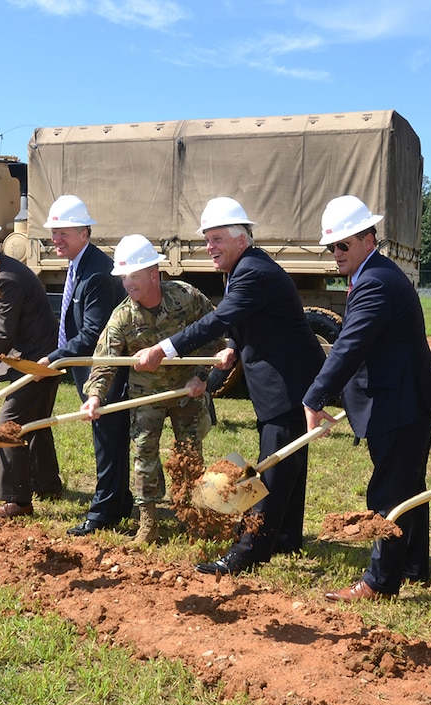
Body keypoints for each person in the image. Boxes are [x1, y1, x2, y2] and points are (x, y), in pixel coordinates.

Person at [136, 197, 326, 574]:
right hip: (289, 381)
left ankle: (248, 552)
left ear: (242, 238)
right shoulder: (247, 268)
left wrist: (164, 347)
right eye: (207, 239)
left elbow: (221, 317)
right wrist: (233, 347)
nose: (210, 247)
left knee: (274, 467)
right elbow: (247, 317)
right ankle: (286, 538)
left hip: (286, 384)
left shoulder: (253, 271)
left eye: (218, 238)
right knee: (287, 464)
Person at [305, 196, 431, 601]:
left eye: (343, 245)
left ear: (369, 239)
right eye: (331, 247)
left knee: (389, 492)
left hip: (399, 402)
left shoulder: (376, 281)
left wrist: (315, 397)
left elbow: (350, 346)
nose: (335, 254)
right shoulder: (375, 274)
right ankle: (412, 566)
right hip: (406, 397)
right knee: (408, 486)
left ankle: (379, 582)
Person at [81, 234, 223, 543]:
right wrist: (94, 397)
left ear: (153, 274)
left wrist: (201, 377)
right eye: (123, 277)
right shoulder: (122, 317)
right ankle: (148, 523)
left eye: (133, 275)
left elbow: (216, 332)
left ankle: (191, 515)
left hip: (187, 392)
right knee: (144, 455)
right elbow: (104, 362)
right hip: (147, 395)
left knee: (190, 453)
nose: (127, 283)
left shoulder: (186, 297)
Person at [37, 195, 134, 535]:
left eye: (63, 232)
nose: (56, 239)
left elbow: (95, 332)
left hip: (104, 370)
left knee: (108, 437)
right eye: (53, 232)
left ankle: (104, 512)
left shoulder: (96, 273)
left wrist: (56, 355)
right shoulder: (79, 264)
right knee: (107, 435)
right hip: (88, 368)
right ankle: (120, 502)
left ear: (84, 232)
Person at [0, 212, 63, 519]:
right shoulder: (0, 270)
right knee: (38, 423)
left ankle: (16, 500)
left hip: (35, 361)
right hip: (40, 355)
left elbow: (4, 334)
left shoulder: (6, 278)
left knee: (9, 423)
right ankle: (46, 484)